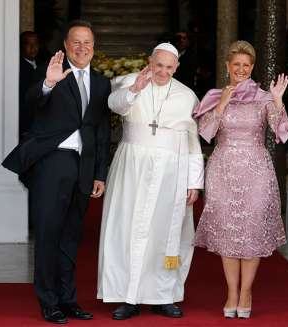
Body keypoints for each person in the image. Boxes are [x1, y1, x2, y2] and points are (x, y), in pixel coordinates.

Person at [2, 20, 111, 323]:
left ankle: (68, 299)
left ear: (94, 46)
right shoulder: (49, 72)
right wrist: (49, 84)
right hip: (52, 163)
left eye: (87, 42)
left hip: (83, 166)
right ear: (65, 45)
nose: (81, 47)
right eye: (75, 42)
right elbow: (30, 102)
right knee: (48, 235)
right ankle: (48, 302)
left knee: (70, 238)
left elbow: (101, 131)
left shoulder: (101, 83)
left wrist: (100, 173)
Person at [97, 43, 204, 320]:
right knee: (128, 229)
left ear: (176, 67)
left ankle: (163, 296)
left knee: (164, 234)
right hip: (132, 168)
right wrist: (135, 89)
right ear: (150, 61)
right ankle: (127, 297)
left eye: (169, 67)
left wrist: (195, 182)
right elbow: (113, 105)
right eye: (159, 65)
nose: (163, 72)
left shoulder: (186, 95)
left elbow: (193, 142)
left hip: (172, 172)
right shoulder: (130, 81)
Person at [192, 41, 288, 319]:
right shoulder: (213, 96)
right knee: (228, 231)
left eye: (246, 65)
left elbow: (281, 131)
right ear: (227, 66)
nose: (241, 69)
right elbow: (206, 132)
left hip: (256, 170)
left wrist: (278, 100)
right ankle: (231, 292)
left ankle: (246, 291)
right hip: (223, 169)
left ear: (252, 67)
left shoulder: (263, 97)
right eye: (237, 65)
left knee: (251, 230)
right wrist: (222, 103)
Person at [19, 31, 40, 139]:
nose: (33, 48)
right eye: (28, 44)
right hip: (25, 124)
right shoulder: (20, 68)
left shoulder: (41, 65)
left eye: (35, 44)